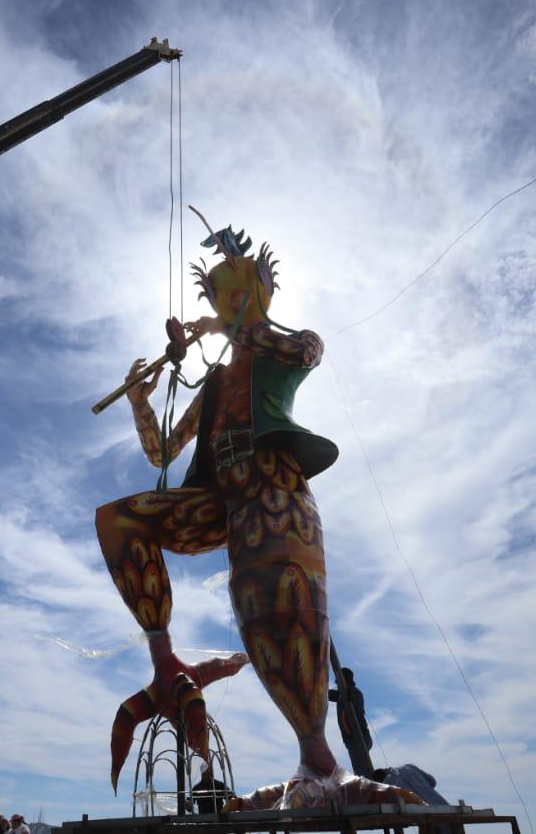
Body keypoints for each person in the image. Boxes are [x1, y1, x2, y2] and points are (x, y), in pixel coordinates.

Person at [96, 222, 423, 812]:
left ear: (259, 293)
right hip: (225, 507)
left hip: (277, 499)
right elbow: (163, 452)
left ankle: (319, 763)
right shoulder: (217, 382)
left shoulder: (289, 346)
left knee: (286, 609)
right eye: (218, 295)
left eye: (237, 292)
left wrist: (242, 327)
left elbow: (306, 350)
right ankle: (166, 664)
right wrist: (142, 400)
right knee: (120, 522)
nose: (224, 304)